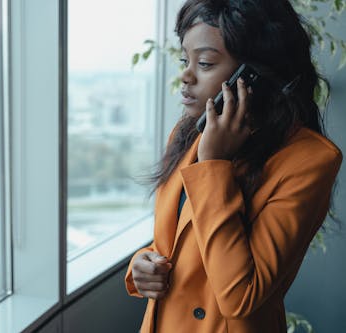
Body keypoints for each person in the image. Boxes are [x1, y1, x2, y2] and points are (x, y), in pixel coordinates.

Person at [124, 0, 343, 332]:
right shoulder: (188, 134)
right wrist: (142, 265)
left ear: (254, 75)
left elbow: (241, 296)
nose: (185, 75)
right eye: (186, 59)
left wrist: (214, 164)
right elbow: (180, 243)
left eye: (206, 63)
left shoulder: (310, 161)